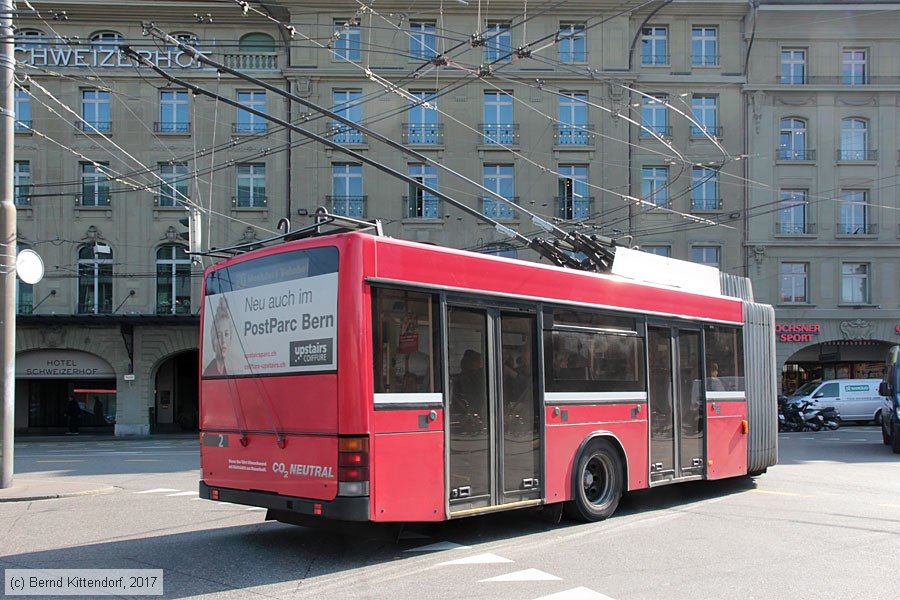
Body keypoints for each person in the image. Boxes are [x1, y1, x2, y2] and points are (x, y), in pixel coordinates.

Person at [203, 296, 233, 376]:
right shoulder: (209, 373)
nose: (223, 341)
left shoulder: (227, 369)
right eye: (219, 336)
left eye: (226, 334)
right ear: (213, 343)